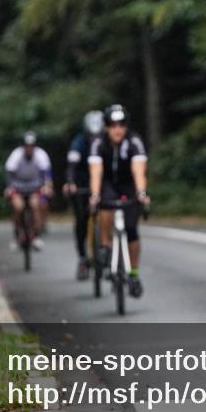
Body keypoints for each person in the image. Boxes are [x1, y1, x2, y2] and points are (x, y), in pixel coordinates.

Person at [88, 104, 150, 298]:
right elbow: (96, 172)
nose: (118, 129)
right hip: (107, 183)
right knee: (105, 206)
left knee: (131, 229)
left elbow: (138, 170)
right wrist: (95, 195)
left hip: (128, 185)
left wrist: (141, 192)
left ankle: (134, 273)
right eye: (113, 125)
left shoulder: (134, 141)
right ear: (106, 127)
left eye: (122, 124)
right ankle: (106, 245)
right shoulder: (98, 143)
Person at [63, 110, 104, 280]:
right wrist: (71, 183)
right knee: (81, 220)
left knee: (109, 214)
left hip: (102, 184)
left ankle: (108, 251)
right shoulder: (78, 142)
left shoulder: (107, 142)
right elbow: (71, 164)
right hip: (82, 185)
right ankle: (82, 258)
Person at [4, 131, 54, 250]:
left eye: (31, 146)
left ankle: (35, 235)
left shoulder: (41, 155)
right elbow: (9, 173)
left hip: (35, 187)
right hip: (18, 187)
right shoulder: (16, 155)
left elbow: (47, 174)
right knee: (18, 207)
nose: (29, 149)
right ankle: (17, 234)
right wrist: (9, 187)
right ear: (23, 146)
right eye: (27, 146)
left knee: (36, 205)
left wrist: (48, 187)